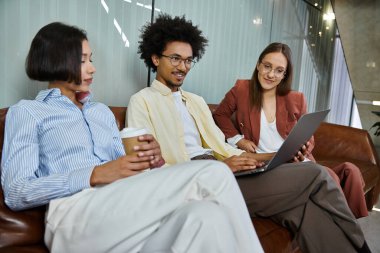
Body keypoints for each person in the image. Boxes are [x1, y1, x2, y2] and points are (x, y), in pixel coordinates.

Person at [0, 22, 264, 253]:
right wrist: (93, 174)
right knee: (214, 173)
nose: (92, 68)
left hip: (122, 213)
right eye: (82, 60)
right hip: (73, 217)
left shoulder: (100, 113)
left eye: (92, 59)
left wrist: (151, 162)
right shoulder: (28, 113)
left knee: (207, 216)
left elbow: (124, 170)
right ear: (53, 60)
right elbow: (16, 191)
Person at [127, 14, 371, 253]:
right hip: (201, 181)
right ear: (156, 58)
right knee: (317, 174)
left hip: (229, 171)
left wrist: (274, 157)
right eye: (176, 59)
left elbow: (225, 149)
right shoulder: (141, 102)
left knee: (305, 211)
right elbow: (148, 169)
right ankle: (363, 246)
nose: (183, 67)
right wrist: (218, 168)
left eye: (189, 60)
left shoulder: (195, 101)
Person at [212, 42, 368, 219]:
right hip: (266, 163)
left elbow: (308, 137)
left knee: (350, 170)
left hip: (295, 160)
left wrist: (303, 150)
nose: (271, 74)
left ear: (285, 74)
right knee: (329, 174)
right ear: (258, 65)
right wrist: (238, 139)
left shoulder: (296, 98)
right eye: (267, 66)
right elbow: (220, 115)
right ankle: (345, 226)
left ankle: (347, 224)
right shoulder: (241, 89)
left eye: (279, 70)